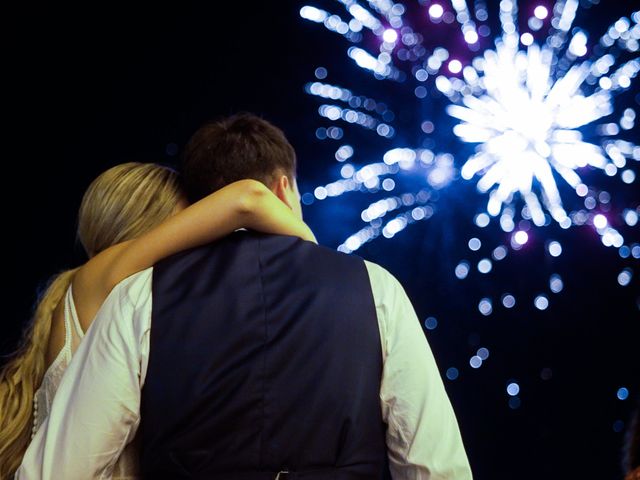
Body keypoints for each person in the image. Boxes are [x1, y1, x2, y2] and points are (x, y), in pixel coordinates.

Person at [18, 114, 472, 479]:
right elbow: (434, 462)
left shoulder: (136, 295)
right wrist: (311, 245)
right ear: (284, 188)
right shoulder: (376, 287)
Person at [1, 161, 315, 479]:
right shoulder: (108, 271)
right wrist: (310, 247)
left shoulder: (96, 287)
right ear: (157, 224)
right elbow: (248, 197)